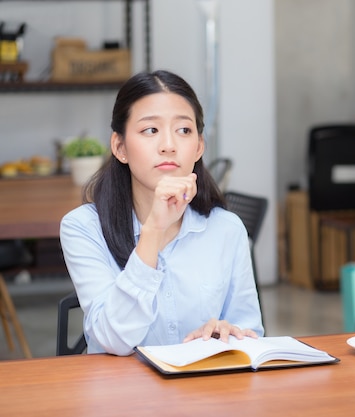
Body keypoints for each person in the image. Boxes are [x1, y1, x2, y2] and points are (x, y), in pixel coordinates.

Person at [60, 70, 264, 356]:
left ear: (199, 147)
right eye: (150, 130)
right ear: (120, 147)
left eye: (183, 130)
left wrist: (228, 335)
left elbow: (251, 333)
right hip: (121, 397)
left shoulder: (227, 229)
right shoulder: (83, 228)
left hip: (203, 394)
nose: (169, 145)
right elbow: (113, 340)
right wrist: (153, 230)